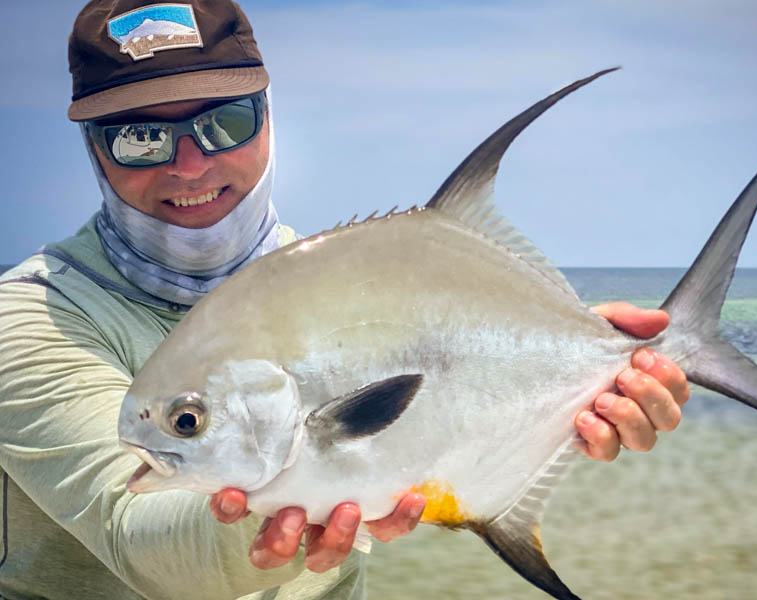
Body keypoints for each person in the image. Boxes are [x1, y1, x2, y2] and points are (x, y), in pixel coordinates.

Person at [0, 1, 689, 598]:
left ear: (267, 117)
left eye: (225, 122)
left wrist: (564, 373)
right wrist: (286, 525)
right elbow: (131, 536)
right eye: (140, 136)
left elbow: (435, 405)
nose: (190, 163)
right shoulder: (28, 317)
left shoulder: (339, 275)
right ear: (94, 151)